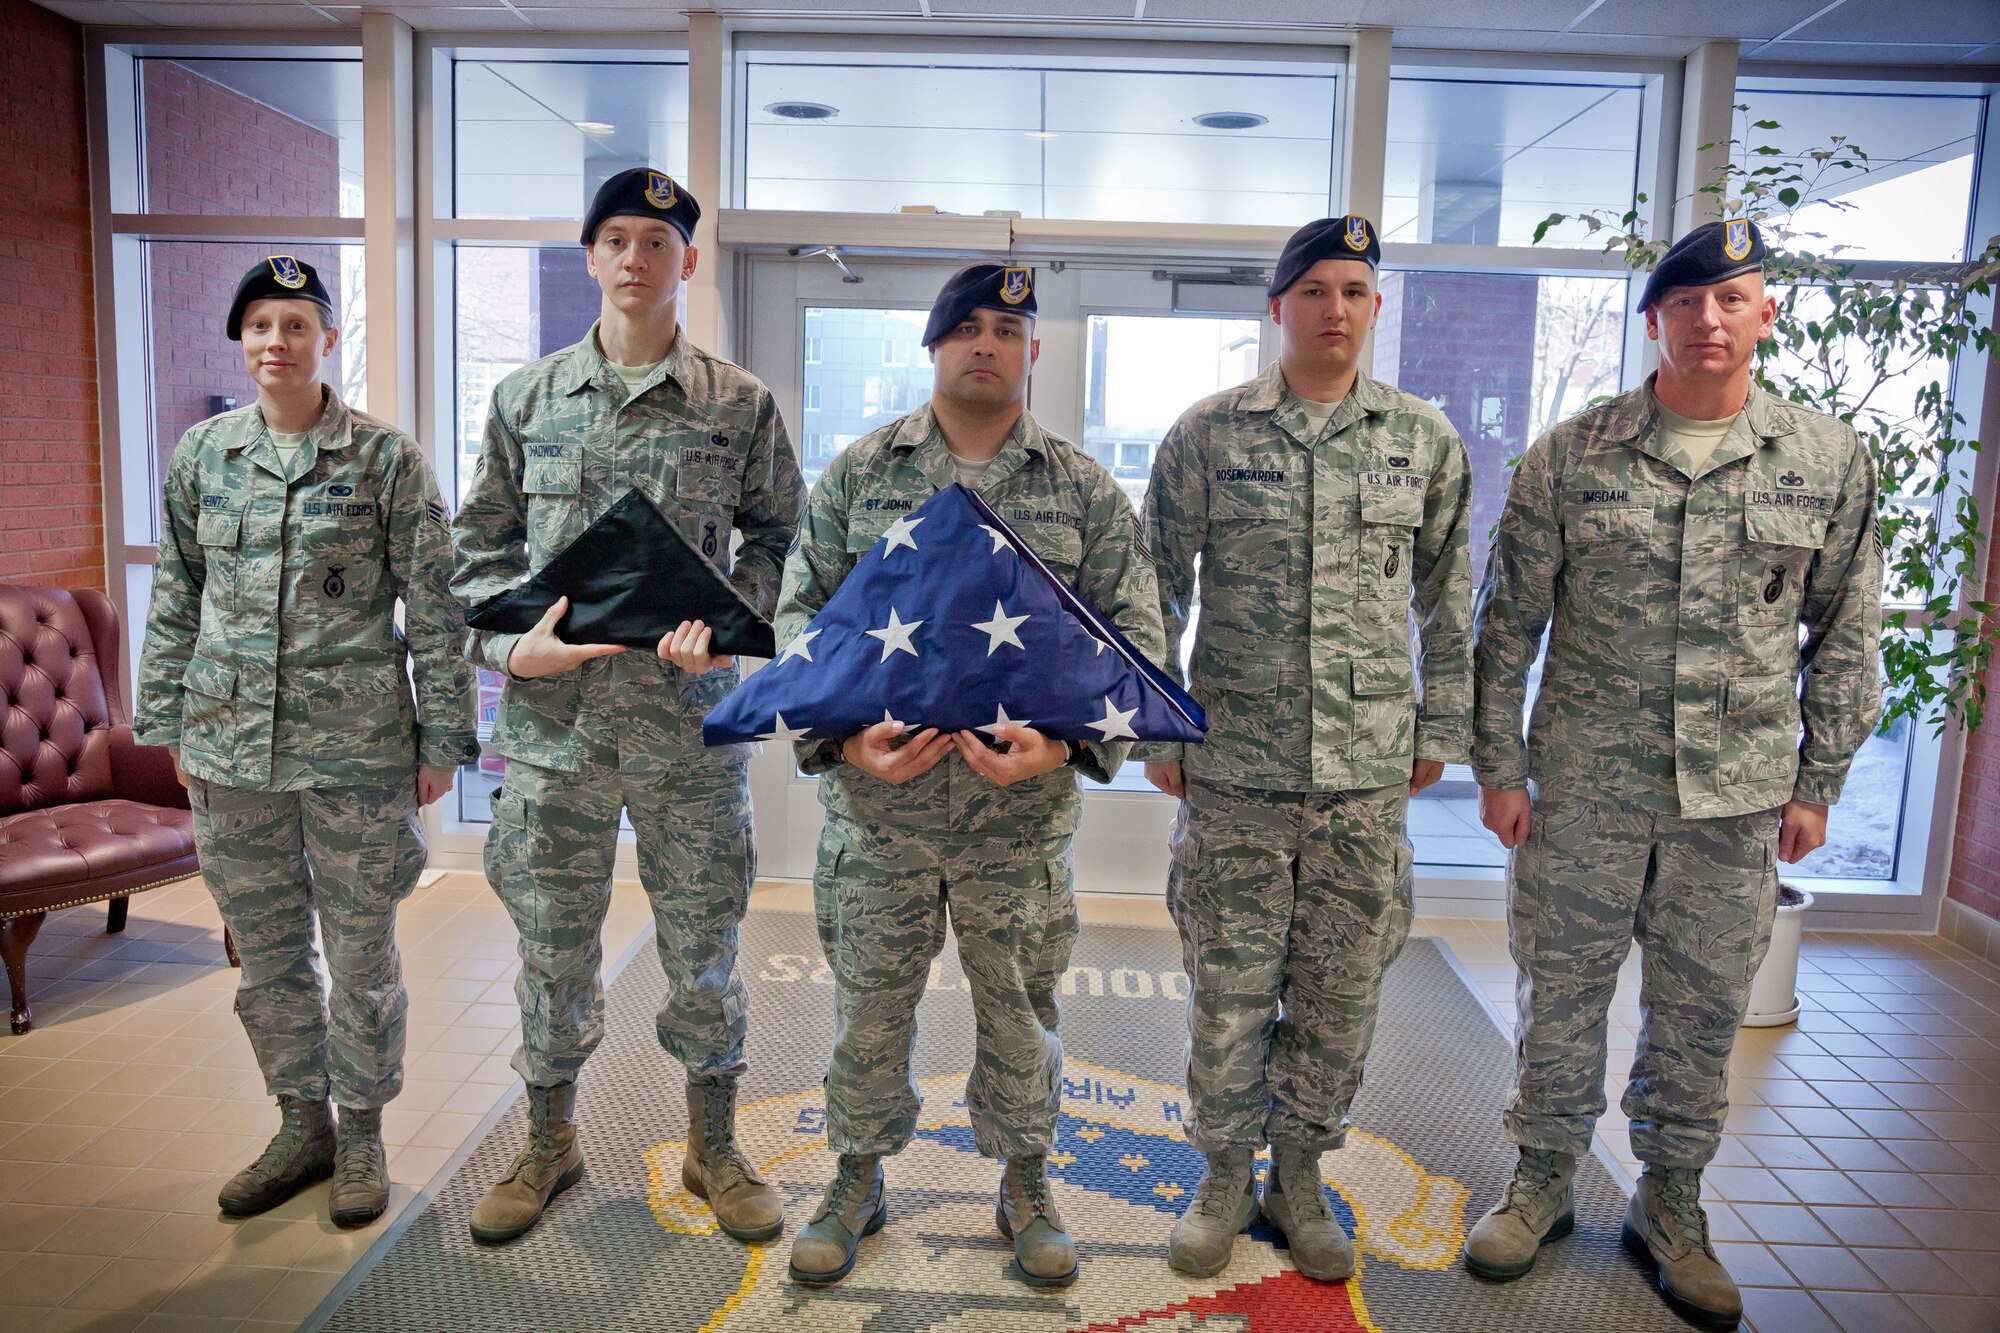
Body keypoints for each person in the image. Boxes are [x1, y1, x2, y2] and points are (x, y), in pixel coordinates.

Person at [1463, 217, 1882, 1331]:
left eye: (1728, 299)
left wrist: (1817, 779)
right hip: (1584, 788)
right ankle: (1541, 1179)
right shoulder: (1573, 451)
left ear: (1763, 314)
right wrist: (1495, 767)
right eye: (1684, 302)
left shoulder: (1824, 459)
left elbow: (1845, 630)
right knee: (1559, 996)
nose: (1706, 319)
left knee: (1698, 1015)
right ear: (1651, 319)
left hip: (1736, 797)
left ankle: (1672, 1202)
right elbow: (1505, 626)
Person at [773, 263, 1165, 1289]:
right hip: (878, 814)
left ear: (1033, 349)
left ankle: (1026, 1179)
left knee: (1019, 1008)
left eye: (1009, 327)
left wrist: (1067, 745)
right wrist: (845, 733)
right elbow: (796, 620)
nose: (987, 343)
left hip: (1017, 821)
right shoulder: (862, 475)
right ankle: (853, 1176)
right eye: (967, 328)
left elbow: (1133, 640)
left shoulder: (1080, 488)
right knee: (867, 1004)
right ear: (933, 346)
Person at [449, 168, 805, 1245]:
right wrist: (518, 647)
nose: (636, 258)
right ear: (591, 259)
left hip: (688, 726)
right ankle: (548, 1144)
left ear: (686, 262)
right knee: (553, 944)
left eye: (658, 240)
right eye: (616, 239)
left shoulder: (738, 404)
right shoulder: (524, 399)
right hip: (555, 733)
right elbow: (475, 553)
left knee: (702, 944)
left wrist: (730, 624)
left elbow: (781, 539)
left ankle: (713, 1144)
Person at [1139, 215, 1473, 1281]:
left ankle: (1300, 1173)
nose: (1336, 310)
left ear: (1374, 307)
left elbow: (1447, 598)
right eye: (1315, 290)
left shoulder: (1419, 439)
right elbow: (1155, 587)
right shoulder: (1208, 434)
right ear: (1275, 307)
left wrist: (1442, 727)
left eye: (1355, 292)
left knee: (1338, 996)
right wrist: (1160, 721)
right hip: (1233, 767)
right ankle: (1221, 1175)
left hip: (1365, 776)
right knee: (1229, 991)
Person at [135, 256, 477, 1227]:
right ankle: (301, 1123)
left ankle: (362, 1130)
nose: (274, 343)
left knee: (361, 950)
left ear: (328, 337)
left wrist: (445, 740)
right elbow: (178, 599)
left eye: (295, 324)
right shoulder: (203, 454)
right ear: (240, 342)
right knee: (270, 953)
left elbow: (438, 610)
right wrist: (167, 724)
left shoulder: (384, 459)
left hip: (357, 755)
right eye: (258, 326)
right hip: (230, 753)